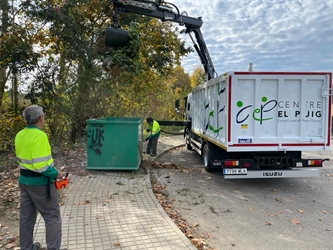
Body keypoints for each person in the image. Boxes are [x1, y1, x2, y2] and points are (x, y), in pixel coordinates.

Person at [15, 105, 67, 250]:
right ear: (40, 118)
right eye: (43, 115)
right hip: (40, 184)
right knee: (52, 217)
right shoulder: (39, 135)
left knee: (26, 218)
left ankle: (26, 247)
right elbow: (41, 166)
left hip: (24, 182)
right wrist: (57, 174)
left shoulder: (20, 135)